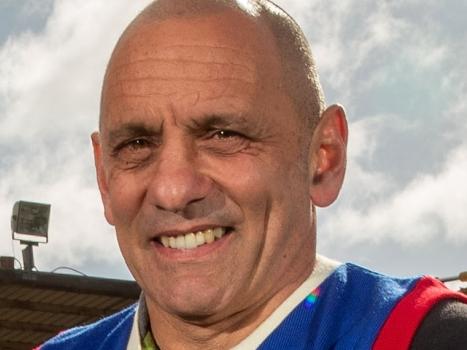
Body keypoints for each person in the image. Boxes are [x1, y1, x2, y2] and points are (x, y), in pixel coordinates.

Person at [38, 0, 467, 349]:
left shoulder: (425, 337)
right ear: (104, 178)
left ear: (324, 157)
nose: (172, 189)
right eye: (136, 145)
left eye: (224, 135)